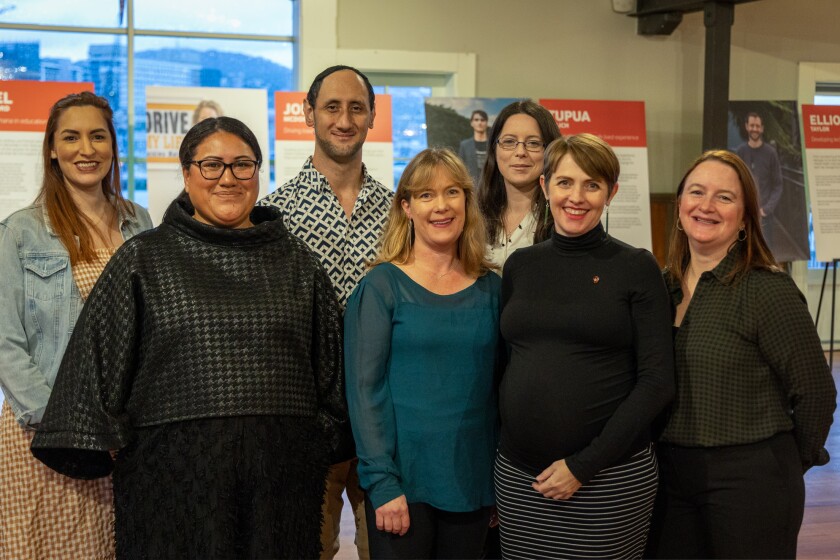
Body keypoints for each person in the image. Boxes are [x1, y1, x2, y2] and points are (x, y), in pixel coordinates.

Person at [30, 116, 347, 559]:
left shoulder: (298, 262)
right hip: (169, 484)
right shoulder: (144, 259)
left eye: (242, 165)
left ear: (258, 172)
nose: (228, 178)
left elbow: (331, 375)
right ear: (186, 173)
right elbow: (94, 367)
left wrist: (319, 440)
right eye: (211, 165)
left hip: (282, 484)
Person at [647, 150, 836, 559]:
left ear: (747, 216)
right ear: (680, 204)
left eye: (725, 197)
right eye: (696, 192)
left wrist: (783, 464)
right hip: (669, 477)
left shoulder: (767, 290)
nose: (707, 206)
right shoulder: (659, 288)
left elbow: (817, 394)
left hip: (751, 480)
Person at [495, 133, 674, 559]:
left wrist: (582, 466)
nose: (576, 197)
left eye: (591, 185)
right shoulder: (521, 266)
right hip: (520, 477)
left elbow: (656, 382)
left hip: (607, 478)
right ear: (545, 187)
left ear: (610, 193)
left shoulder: (636, 267)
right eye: (564, 182)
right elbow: (503, 366)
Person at [0, 91, 152, 559]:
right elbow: (6, 342)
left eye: (97, 136)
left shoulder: (138, 222)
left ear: (112, 145)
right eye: (71, 137)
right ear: (51, 148)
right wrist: (63, 423)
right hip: (45, 438)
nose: (86, 149)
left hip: (123, 441)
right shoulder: (22, 230)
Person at [261, 64, 393, 559]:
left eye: (356, 108)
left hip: (381, 419)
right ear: (308, 112)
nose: (344, 119)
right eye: (332, 107)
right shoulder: (274, 213)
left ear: (372, 117)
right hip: (306, 420)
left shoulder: (398, 210)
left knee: (385, 547)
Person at [344, 148, 500, 559]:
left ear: (467, 202)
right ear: (406, 207)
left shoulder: (493, 289)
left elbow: (501, 390)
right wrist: (382, 484)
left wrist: (497, 485)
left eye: (452, 192)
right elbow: (365, 392)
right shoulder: (381, 287)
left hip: (472, 485)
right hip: (403, 489)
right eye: (426, 195)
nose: (442, 206)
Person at [477, 100, 562, 270]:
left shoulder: (562, 221)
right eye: (509, 142)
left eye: (533, 143)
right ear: (495, 149)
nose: (520, 152)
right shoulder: (474, 216)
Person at [734, 112, 783, 249]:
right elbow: (735, 183)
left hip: (765, 217)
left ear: (762, 128)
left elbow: (778, 185)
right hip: (744, 215)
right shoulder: (740, 152)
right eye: (752, 125)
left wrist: (766, 209)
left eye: (757, 126)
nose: (754, 128)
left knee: (765, 253)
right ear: (746, 127)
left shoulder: (771, 153)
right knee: (742, 253)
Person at [458, 109, 489, 185]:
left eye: (482, 120)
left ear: (486, 123)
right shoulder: (465, 145)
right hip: (472, 189)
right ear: (471, 123)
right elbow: (460, 169)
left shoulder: (493, 144)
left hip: (492, 187)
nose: (479, 123)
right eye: (476, 120)